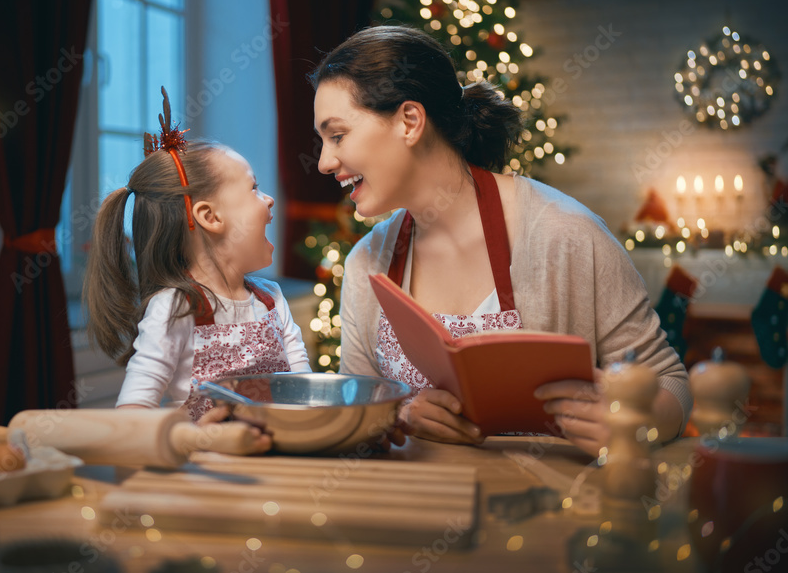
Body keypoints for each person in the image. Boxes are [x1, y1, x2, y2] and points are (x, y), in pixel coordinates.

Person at [310, 26, 690, 457]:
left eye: (337, 135)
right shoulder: (367, 262)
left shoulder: (567, 235)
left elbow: (670, 384)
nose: (325, 162)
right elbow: (359, 412)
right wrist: (400, 414)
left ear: (409, 122)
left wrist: (633, 424)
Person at [85, 87, 311, 427]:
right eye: (253, 188)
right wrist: (190, 436)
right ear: (210, 217)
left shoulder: (272, 301)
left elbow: (305, 395)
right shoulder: (176, 308)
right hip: (206, 475)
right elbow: (131, 420)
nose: (268, 200)